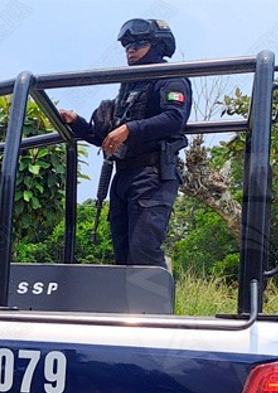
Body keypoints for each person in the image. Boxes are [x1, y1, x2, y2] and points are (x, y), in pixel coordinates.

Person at [60, 18, 191, 268]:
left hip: (152, 175)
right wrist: (76, 122)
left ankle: (154, 296)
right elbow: (107, 139)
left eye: (139, 44)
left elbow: (175, 117)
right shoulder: (128, 87)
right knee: (123, 255)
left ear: (157, 46)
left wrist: (129, 129)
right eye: (127, 45)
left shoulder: (170, 78)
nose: (131, 50)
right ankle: (128, 297)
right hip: (123, 176)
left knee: (143, 251)